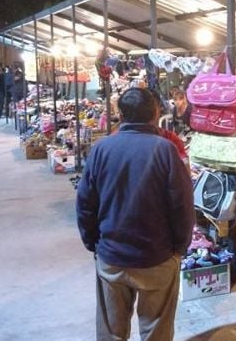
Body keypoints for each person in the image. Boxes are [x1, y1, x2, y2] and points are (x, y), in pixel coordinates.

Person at [76, 87, 194, 341]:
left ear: (120, 114)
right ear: (155, 113)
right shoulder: (165, 150)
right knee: (156, 330)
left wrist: (93, 243)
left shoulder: (101, 148)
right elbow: (183, 205)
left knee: (111, 332)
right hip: (157, 257)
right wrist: (179, 248)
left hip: (112, 256)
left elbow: (85, 203)